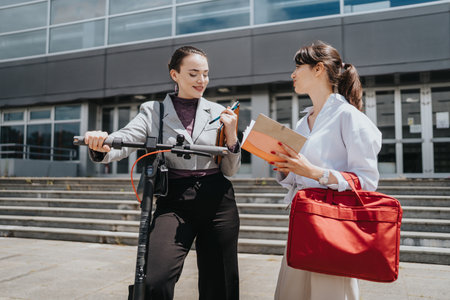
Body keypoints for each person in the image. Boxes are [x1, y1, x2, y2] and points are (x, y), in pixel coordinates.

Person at [83, 46, 241, 300]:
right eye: (193, 74)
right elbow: (122, 141)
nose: (202, 80)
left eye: (205, 74)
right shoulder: (153, 111)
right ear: (175, 75)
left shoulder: (219, 112)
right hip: (175, 200)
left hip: (218, 201)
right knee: (154, 281)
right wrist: (101, 142)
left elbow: (231, 169)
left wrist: (232, 135)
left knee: (220, 284)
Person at [271, 41, 382, 300]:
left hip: (333, 225)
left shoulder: (349, 117)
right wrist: (285, 168)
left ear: (318, 69)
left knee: (329, 292)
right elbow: (297, 176)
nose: (293, 74)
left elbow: (367, 182)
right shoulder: (303, 121)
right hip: (301, 221)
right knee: (292, 292)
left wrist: (314, 172)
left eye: (298, 67)